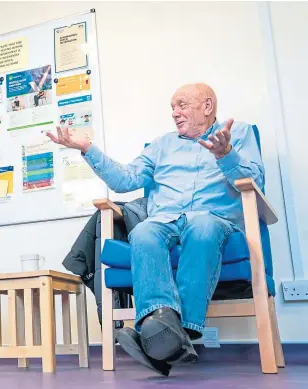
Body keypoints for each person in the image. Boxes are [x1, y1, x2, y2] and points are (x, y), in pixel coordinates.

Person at [47, 83, 264, 376]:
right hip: (165, 221)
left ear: (207, 106)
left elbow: (256, 181)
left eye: (182, 105)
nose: (174, 113)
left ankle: (173, 336)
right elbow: (125, 180)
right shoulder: (162, 145)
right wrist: (88, 149)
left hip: (213, 218)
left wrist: (226, 154)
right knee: (143, 231)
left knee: (201, 226)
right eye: (172, 107)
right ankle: (162, 324)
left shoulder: (238, 133)